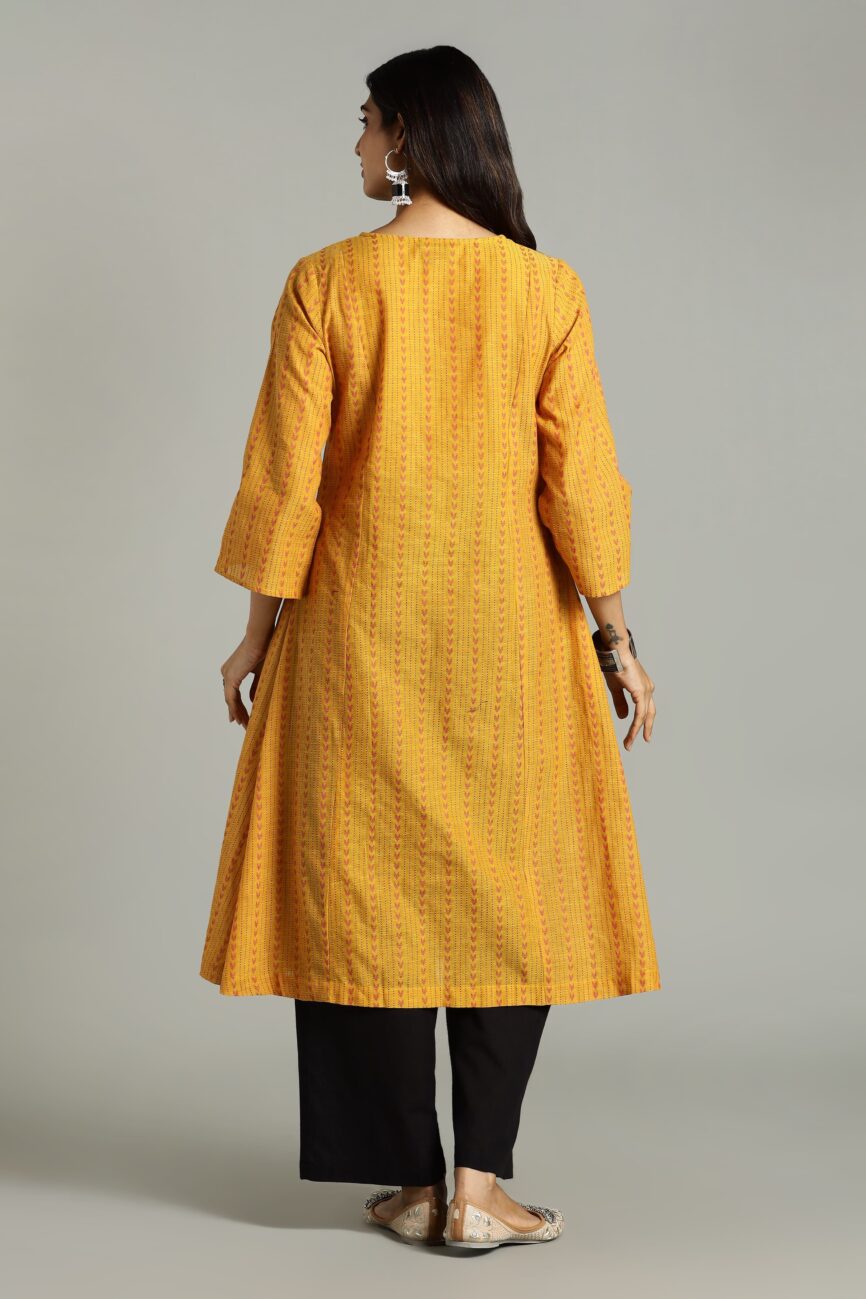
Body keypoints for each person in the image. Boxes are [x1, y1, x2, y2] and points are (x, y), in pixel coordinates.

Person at [199, 44, 661, 1251]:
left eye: (364, 122)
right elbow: (582, 486)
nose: (355, 143)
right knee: (515, 893)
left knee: (361, 890)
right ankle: (479, 1186)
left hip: (356, 638)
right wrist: (616, 638)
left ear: (405, 133)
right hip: (513, 645)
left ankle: (410, 1181)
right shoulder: (544, 288)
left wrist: (253, 636)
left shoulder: (326, 282)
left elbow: (283, 482)